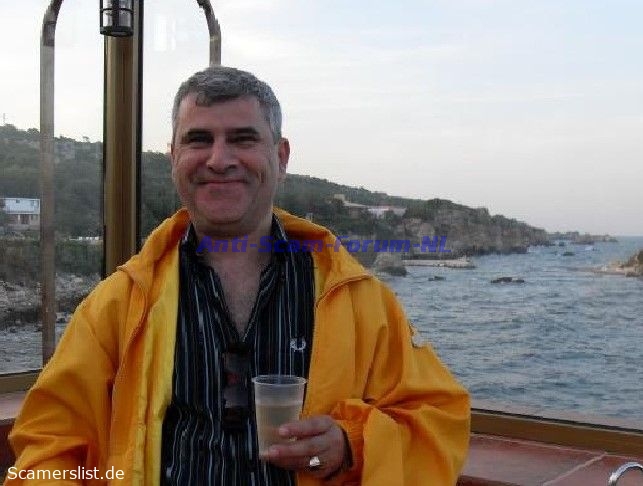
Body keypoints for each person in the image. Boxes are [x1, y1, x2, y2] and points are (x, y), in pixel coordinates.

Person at [7, 66, 470, 485]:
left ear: (281, 156)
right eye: (199, 140)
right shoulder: (118, 305)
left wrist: (351, 446)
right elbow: (49, 447)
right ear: (173, 157)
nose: (219, 159)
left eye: (243, 139)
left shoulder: (357, 300)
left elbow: (437, 419)